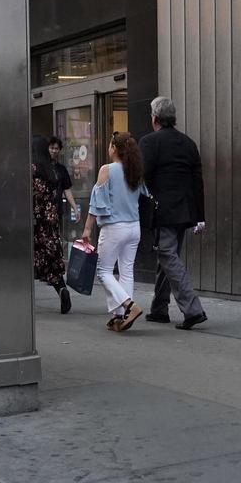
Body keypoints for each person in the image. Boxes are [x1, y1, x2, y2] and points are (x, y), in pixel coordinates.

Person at [139, 96, 208, 330]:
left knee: (167, 255)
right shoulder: (188, 143)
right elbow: (198, 181)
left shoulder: (149, 142)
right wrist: (200, 216)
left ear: (154, 118)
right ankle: (159, 308)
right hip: (186, 210)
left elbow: (143, 175)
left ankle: (192, 308)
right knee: (167, 258)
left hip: (164, 209)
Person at [80, 131, 149, 332]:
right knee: (126, 270)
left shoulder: (107, 170)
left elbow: (96, 203)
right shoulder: (135, 170)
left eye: (110, 145)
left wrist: (87, 229)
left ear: (114, 149)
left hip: (114, 227)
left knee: (104, 271)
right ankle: (120, 316)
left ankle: (129, 306)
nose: (108, 148)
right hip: (134, 227)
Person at [30, 135, 72, 313]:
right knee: (51, 259)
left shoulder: (31, 169)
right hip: (51, 221)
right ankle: (61, 288)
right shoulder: (52, 170)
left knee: (29, 259)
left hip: (34, 221)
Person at [47, 136, 78, 228]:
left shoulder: (62, 169)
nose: (54, 151)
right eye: (51, 148)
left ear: (59, 150)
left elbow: (67, 189)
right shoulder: (42, 168)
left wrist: (75, 208)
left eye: (56, 148)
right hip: (44, 210)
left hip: (57, 210)